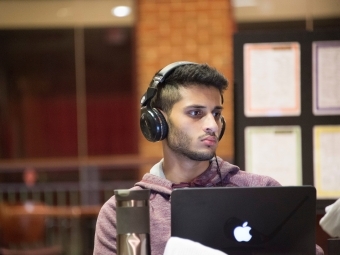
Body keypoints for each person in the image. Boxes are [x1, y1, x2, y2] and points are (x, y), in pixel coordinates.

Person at [93, 61, 324, 255]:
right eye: (196, 113)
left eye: (216, 114)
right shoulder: (125, 213)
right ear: (158, 122)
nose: (212, 125)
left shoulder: (261, 191)